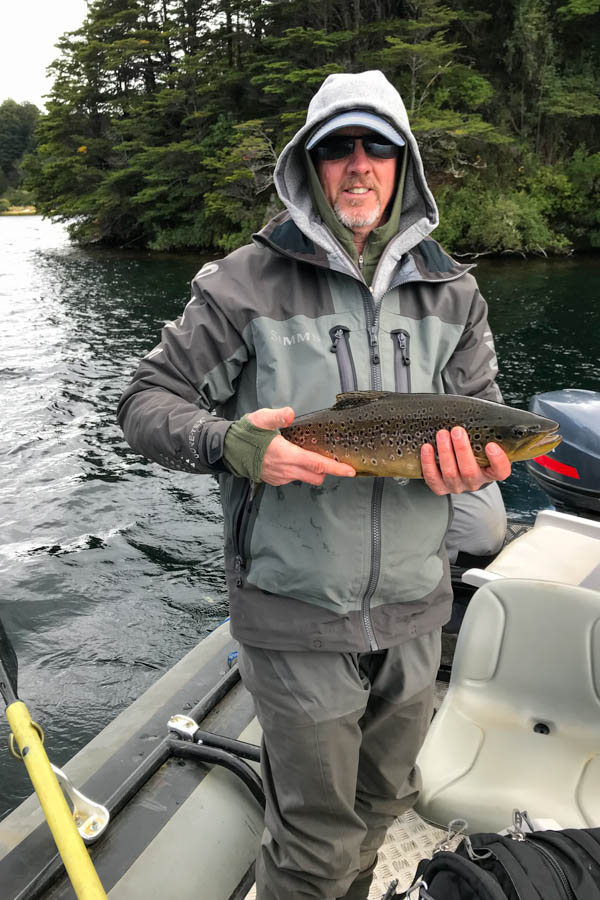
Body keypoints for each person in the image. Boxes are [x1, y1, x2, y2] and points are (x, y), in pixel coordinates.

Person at [117, 70, 511, 900]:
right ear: (308, 163)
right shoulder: (241, 285)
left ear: (406, 164)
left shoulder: (454, 291)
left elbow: (485, 413)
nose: (359, 165)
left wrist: (478, 463)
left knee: (383, 802)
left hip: (416, 608)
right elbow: (143, 403)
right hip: (295, 616)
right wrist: (231, 444)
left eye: (379, 147)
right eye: (338, 147)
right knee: (312, 841)